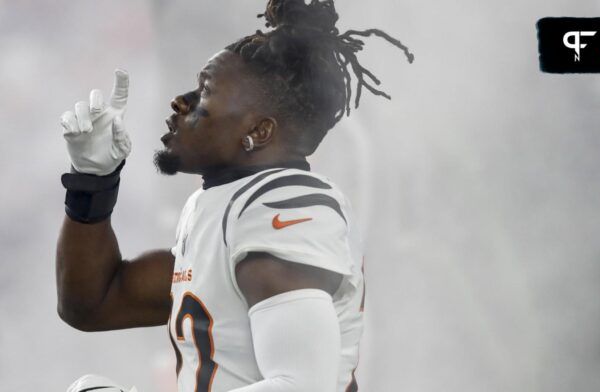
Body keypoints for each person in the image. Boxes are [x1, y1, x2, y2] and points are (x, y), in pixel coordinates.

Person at [56, 0, 413, 391]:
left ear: (258, 133)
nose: (181, 101)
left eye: (204, 93)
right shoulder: (223, 206)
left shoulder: (284, 208)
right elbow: (93, 303)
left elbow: (302, 386)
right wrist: (93, 180)